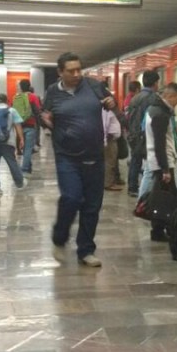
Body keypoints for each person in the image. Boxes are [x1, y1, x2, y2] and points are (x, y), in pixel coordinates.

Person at [41, 52, 116, 267]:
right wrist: (45, 120)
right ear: (60, 72)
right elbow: (45, 115)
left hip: (94, 156)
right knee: (71, 198)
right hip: (67, 157)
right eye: (71, 71)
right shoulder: (53, 93)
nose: (76, 74)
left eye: (78, 69)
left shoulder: (93, 86)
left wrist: (112, 102)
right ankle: (59, 238)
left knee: (92, 206)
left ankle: (86, 250)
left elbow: (112, 104)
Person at [145, 82, 177, 242]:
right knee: (166, 199)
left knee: (163, 197)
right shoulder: (160, 113)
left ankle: (160, 229)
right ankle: (160, 230)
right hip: (162, 161)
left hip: (158, 160)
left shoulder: (153, 109)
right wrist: (165, 169)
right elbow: (160, 143)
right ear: (170, 96)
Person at [126, 71, 159, 197]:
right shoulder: (152, 98)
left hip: (133, 134)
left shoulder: (136, 97)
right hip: (143, 135)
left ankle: (132, 187)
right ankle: (142, 191)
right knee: (148, 165)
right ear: (155, 83)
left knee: (135, 160)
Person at [14, 79, 38, 176]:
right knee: (28, 149)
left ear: (20, 87)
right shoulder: (33, 97)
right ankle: (24, 169)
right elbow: (38, 110)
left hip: (19, 125)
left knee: (24, 148)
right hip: (30, 125)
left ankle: (28, 168)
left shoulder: (17, 97)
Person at [103, 105, 123, 191]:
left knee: (112, 160)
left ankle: (110, 181)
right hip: (109, 138)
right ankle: (108, 183)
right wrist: (104, 140)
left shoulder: (109, 111)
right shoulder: (105, 111)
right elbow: (104, 125)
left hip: (111, 138)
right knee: (110, 161)